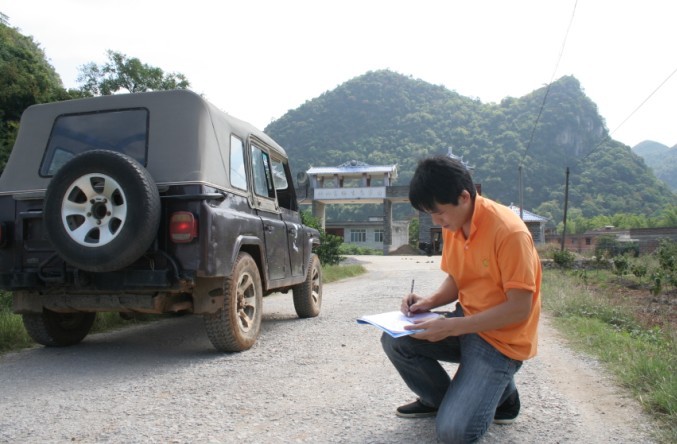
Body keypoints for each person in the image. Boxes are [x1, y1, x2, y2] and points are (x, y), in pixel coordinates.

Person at [381, 155, 541, 443]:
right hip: (465, 322)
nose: (436, 221)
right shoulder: (453, 225)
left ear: (464, 197)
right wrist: (428, 302)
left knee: (454, 433)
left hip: (500, 341)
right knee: (395, 338)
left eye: (439, 213)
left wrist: (452, 327)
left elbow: (520, 308)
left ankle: (503, 394)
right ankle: (441, 399)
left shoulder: (509, 232)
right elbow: (457, 279)